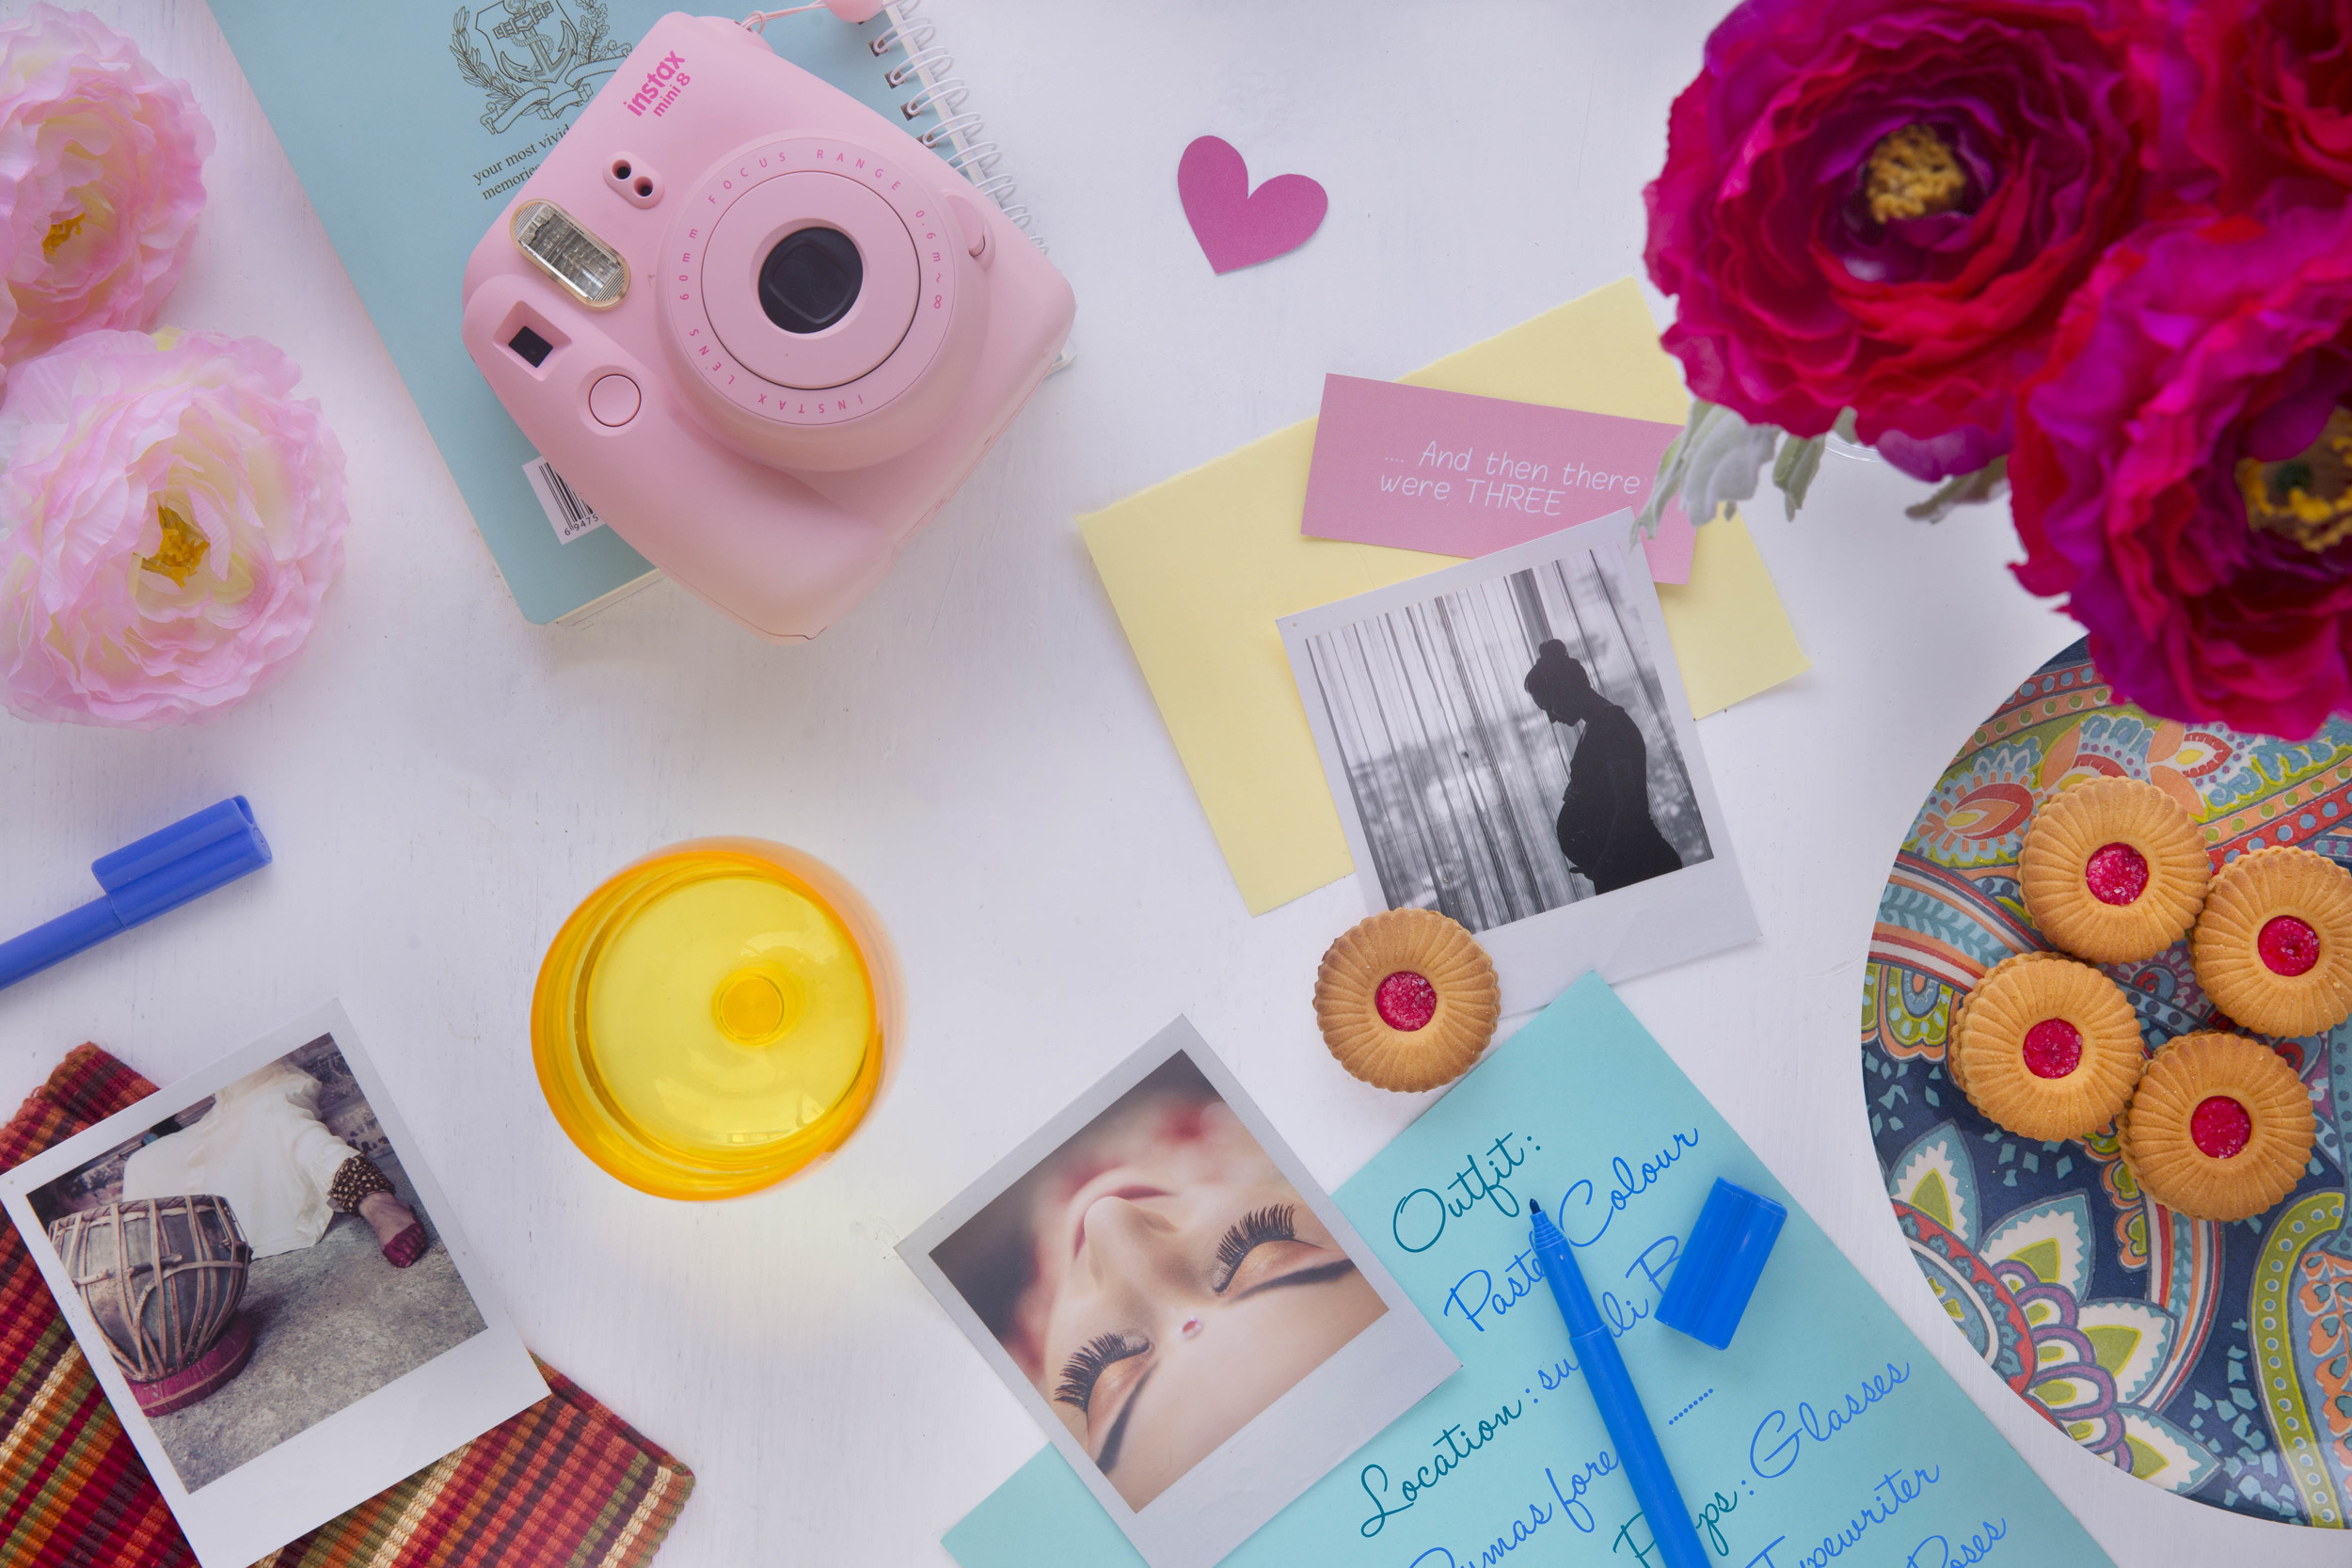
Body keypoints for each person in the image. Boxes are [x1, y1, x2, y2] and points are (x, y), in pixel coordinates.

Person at [932, 1057, 1386, 1509]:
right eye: (1257, 1253)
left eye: (1103, 1378)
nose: (1107, 1218)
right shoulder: (1277, 1118)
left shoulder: (971, 1369)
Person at [122, 1059, 427, 1267]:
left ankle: (374, 1198)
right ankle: (176, 1262)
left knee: (274, 1116)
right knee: (143, 1162)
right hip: (219, 1112)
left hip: (264, 1083)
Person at [1522, 639, 1682, 894]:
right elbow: (1605, 791)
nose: (1551, 718)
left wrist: (1604, 866)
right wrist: (1577, 792)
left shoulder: (1611, 726)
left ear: (1564, 689)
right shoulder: (1596, 726)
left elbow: (1629, 807)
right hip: (1625, 866)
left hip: (1640, 865)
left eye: (1548, 706)